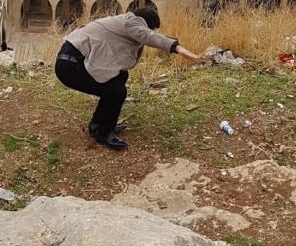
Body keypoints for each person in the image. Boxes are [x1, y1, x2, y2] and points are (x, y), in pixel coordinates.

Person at [55, 8, 201, 149]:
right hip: (69, 66)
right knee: (117, 92)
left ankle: (99, 125)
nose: (150, 32)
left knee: (119, 77)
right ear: (144, 23)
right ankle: (104, 133)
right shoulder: (132, 22)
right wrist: (178, 48)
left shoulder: (122, 22)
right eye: (150, 29)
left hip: (72, 62)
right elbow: (148, 36)